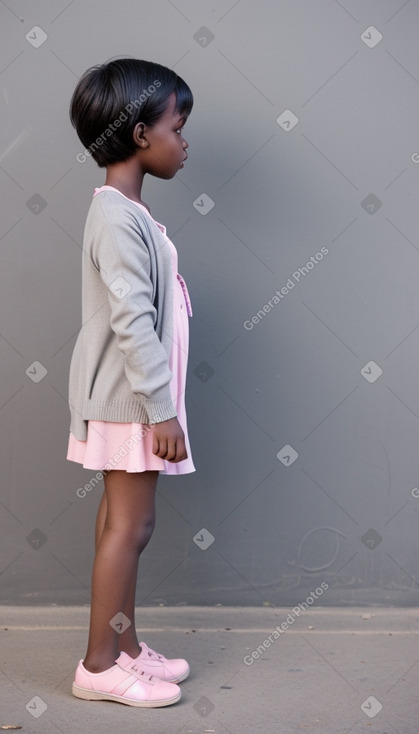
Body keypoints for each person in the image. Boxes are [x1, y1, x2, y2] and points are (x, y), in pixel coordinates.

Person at [66, 58, 195, 708]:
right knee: (131, 528)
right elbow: (132, 320)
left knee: (119, 520)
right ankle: (97, 664)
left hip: (130, 397)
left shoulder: (125, 211)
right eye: (178, 126)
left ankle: (124, 646)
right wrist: (160, 409)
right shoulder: (117, 217)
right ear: (141, 133)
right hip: (131, 400)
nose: (185, 141)